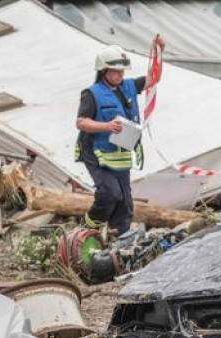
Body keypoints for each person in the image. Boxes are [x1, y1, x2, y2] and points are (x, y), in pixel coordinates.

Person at [75, 42, 163, 235]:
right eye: (115, 72)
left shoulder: (128, 86)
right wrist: (106, 126)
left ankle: (119, 237)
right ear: (104, 70)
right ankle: (88, 229)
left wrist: (159, 53)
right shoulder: (91, 94)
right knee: (109, 193)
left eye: (122, 71)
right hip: (96, 152)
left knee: (124, 202)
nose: (120, 75)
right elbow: (81, 122)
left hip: (120, 153)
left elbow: (153, 78)